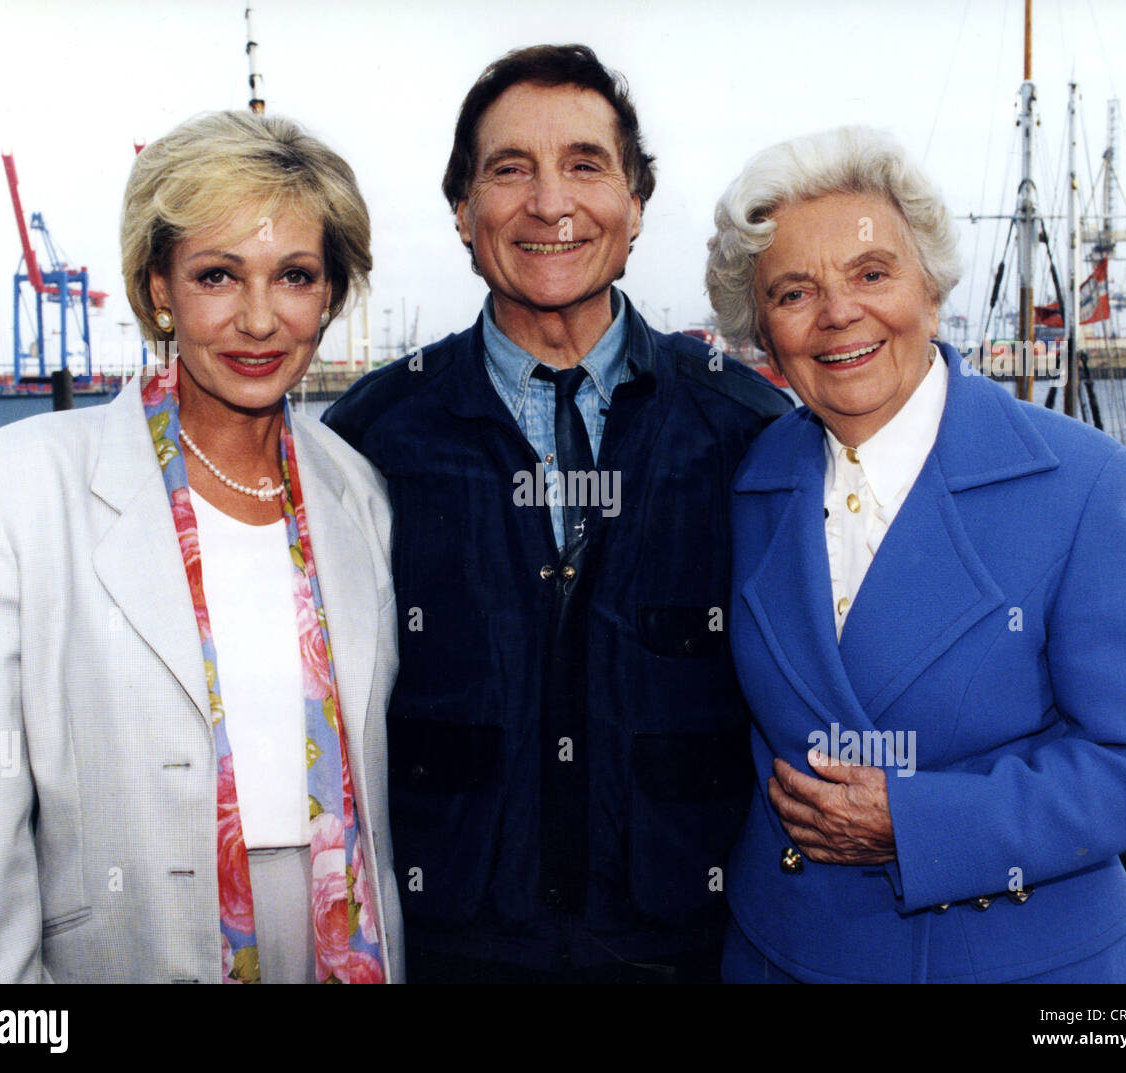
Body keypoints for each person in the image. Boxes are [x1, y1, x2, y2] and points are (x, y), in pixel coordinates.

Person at [322, 44, 791, 983]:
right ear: (463, 211)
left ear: (636, 205)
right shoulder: (371, 437)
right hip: (453, 949)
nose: (549, 203)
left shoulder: (749, 430)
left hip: (689, 952)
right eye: (509, 170)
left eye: (585, 164)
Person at [705, 125, 1126, 983]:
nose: (837, 315)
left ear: (931, 292)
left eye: (871, 274)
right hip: (782, 953)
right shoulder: (756, 477)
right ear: (764, 335)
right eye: (794, 292)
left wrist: (920, 821)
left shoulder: (1078, 483)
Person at [0, 110, 403, 984]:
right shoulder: (13, 489)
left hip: (341, 941)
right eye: (218, 275)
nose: (260, 320)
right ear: (160, 287)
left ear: (330, 294)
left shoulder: (359, 492)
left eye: (295, 276)